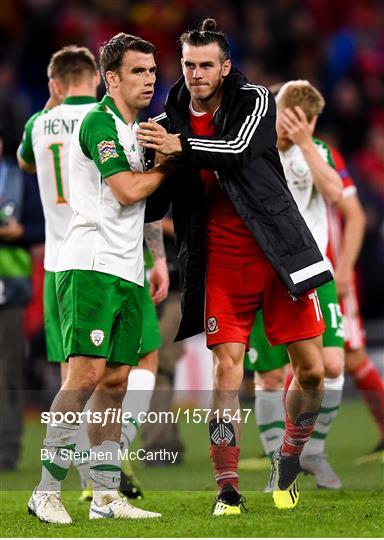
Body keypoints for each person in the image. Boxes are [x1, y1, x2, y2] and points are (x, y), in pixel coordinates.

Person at [138, 19, 342, 513]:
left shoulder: (254, 100)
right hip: (221, 264)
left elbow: (237, 149)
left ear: (225, 67)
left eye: (207, 64)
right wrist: (152, 164)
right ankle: (226, 486)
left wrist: (179, 149)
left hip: (279, 255)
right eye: (189, 64)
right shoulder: (171, 120)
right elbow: (154, 203)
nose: (197, 73)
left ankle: (288, 459)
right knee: (227, 374)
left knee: (312, 374)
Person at [25, 32, 174, 524]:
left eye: (152, 71)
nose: (149, 80)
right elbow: (129, 191)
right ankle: (46, 491)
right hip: (89, 265)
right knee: (85, 375)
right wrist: (170, 164)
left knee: (114, 380)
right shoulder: (97, 123)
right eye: (137, 71)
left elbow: (145, 204)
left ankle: (107, 496)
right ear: (109, 78)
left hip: (126, 269)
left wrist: (153, 255)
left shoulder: (138, 130)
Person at [243, 81, 345, 490]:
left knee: (330, 367)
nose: (287, 125)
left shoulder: (316, 152)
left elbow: (335, 193)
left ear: (312, 122)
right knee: (269, 377)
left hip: (314, 273)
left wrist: (304, 143)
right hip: (265, 276)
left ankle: (313, 451)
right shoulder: (253, 149)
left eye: (299, 120)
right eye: (284, 115)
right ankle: (279, 465)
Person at [326, 146, 384, 463]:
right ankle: (288, 448)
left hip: (333, 272)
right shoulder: (268, 152)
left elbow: (355, 215)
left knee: (353, 356)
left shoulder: (324, 154)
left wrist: (345, 268)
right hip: (293, 276)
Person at [0, 128, 45, 471]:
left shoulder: (20, 179)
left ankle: (7, 451)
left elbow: (43, 226)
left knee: (8, 371)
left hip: (10, 289)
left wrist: (21, 233)